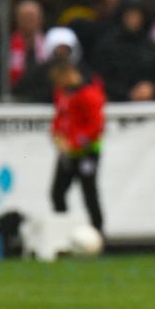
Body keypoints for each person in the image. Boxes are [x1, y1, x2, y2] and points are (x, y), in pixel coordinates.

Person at [48, 53, 106, 234]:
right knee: (57, 193)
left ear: (68, 74)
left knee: (89, 193)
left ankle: (98, 232)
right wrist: (56, 135)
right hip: (68, 153)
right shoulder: (63, 94)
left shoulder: (89, 94)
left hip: (87, 152)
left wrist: (73, 143)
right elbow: (59, 118)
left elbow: (96, 126)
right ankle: (63, 232)